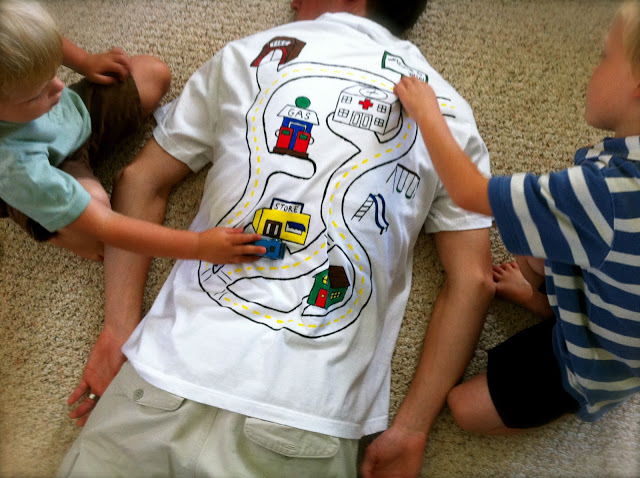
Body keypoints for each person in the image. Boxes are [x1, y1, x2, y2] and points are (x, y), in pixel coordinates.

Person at [57, 0, 495, 476]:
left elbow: (142, 182)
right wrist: (411, 428)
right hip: (309, 413)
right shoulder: (448, 111)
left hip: (169, 370)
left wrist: (120, 327)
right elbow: (472, 281)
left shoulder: (249, 55)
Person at [393, 0, 640, 440]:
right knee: (535, 235)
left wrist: (428, 114)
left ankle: (553, 311)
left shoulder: (601, 193)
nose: (594, 67)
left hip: (594, 360)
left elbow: (471, 191)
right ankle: (552, 299)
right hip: (618, 290)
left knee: (464, 409)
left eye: (605, 56)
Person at [0, 0, 264, 264]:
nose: (59, 86)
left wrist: (84, 61)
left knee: (153, 73)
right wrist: (197, 245)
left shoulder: (36, 79)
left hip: (72, 118)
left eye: (54, 73)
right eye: (37, 93)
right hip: (51, 166)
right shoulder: (18, 170)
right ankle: (52, 228)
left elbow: (41, 40)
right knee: (100, 228)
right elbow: (106, 225)